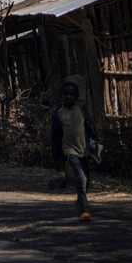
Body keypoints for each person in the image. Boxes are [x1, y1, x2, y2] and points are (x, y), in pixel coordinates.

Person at [50, 80, 97, 221]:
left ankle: (80, 199)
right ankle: (84, 210)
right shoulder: (58, 114)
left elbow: (89, 127)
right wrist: (58, 159)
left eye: (71, 94)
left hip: (84, 150)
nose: (68, 97)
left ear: (76, 97)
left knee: (86, 180)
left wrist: (94, 143)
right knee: (81, 178)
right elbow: (55, 137)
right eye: (65, 94)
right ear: (61, 96)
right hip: (69, 151)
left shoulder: (81, 109)